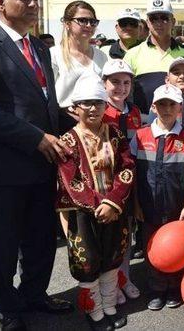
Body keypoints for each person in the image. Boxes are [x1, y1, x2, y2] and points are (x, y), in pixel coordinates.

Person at [0, 0, 73, 331]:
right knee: (5, 244)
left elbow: (43, 103)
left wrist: (77, 122)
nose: (33, 4)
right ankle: (8, 308)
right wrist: (36, 137)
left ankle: (35, 294)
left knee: (40, 239)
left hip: (43, 165)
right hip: (6, 168)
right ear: (1, 4)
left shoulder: (39, 48)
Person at [56, 73, 134, 330]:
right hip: (83, 214)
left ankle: (109, 305)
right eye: (86, 103)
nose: (92, 108)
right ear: (75, 107)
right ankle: (95, 312)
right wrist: (98, 204)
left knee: (112, 257)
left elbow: (127, 167)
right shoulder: (68, 140)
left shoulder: (115, 134)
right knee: (88, 262)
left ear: (105, 106)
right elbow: (72, 181)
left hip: (114, 209)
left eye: (98, 103)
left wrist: (112, 202)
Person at [130, 84, 184, 311]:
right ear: (153, 107)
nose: (167, 109)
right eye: (162, 104)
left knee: (177, 249)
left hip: (176, 208)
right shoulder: (140, 136)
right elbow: (134, 175)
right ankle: (157, 290)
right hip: (148, 207)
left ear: (180, 108)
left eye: (172, 104)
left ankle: (174, 288)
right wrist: (136, 204)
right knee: (152, 248)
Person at [100, 59, 142, 305]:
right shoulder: (99, 111)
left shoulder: (135, 112)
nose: (121, 87)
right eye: (114, 82)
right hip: (107, 184)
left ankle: (124, 276)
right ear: (103, 83)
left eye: (126, 82)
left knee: (126, 232)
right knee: (108, 235)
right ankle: (109, 281)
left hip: (131, 181)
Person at [123, 0, 184, 116]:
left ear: (173, 21)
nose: (159, 23)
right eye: (153, 18)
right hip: (143, 124)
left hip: (180, 124)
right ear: (147, 22)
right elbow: (125, 93)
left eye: (164, 18)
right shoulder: (132, 54)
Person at [51, 0, 108, 133]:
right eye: (82, 20)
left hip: (96, 124)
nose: (88, 25)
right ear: (67, 23)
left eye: (92, 22)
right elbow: (47, 97)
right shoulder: (54, 55)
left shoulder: (102, 56)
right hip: (64, 124)